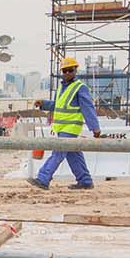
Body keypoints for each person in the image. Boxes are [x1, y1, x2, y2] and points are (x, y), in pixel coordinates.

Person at [29, 56, 102, 190]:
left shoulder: (80, 88)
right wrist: (44, 104)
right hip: (61, 127)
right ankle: (85, 181)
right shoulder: (61, 88)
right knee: (73, 154)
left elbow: (88, 108)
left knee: (58, 152)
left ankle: (43, 179)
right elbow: (59, 106)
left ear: (75, 70)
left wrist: (95, 128)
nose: (68, 73)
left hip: (71, 127)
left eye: (70, 70)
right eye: (65, 71)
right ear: (62, 72)